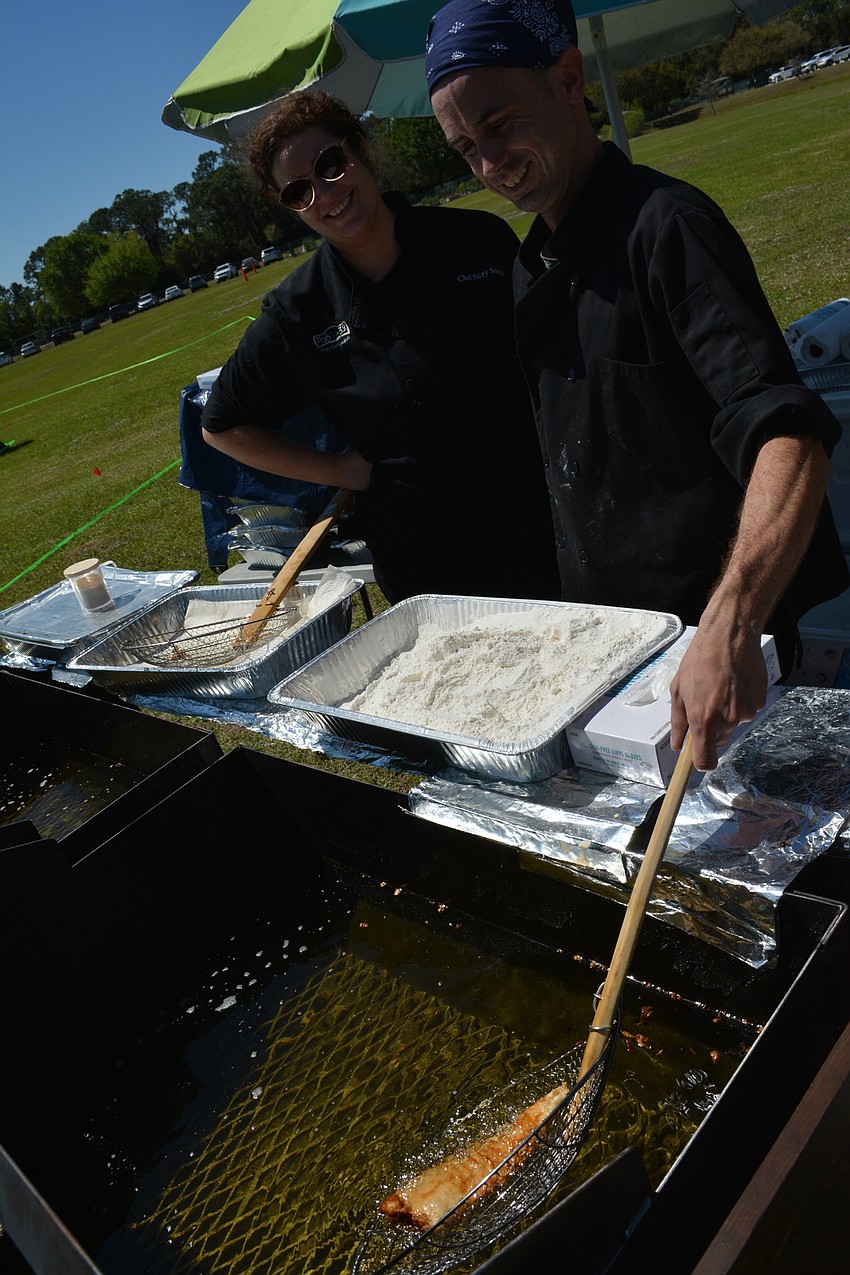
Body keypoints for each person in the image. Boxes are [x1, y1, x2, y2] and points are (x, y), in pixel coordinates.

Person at [426, 0, 849, 773]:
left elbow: (790, 436)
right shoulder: (535, 264)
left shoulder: (667, 229)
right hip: (617, 650)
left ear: (567, 77)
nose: (489, 164)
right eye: (464, 149)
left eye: (500, 124)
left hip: (716, 658)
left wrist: (730, 619)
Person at [201, 90, 559, 606]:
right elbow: (221, 426)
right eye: (298, 192)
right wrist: (340, 470)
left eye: (330, 164)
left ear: (360, 148)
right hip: (427, 564)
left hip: (539, 522)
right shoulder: (299, 310)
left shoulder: (478, 240)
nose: (324, 194)